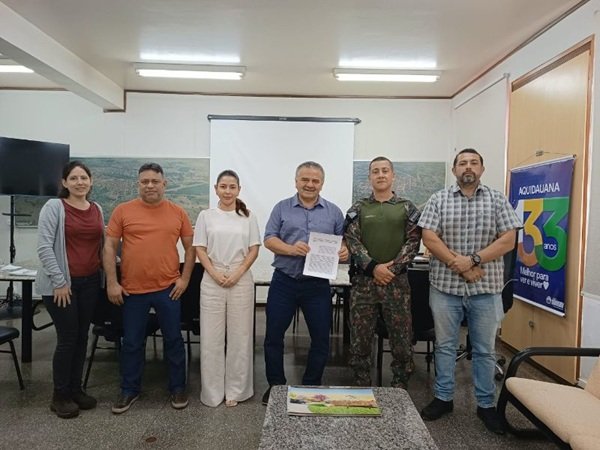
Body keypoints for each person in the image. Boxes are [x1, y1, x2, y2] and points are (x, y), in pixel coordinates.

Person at [418, 148, 521, 434]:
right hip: (445, 287)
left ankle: (486, 405)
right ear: (454, 170)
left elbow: (508, 240)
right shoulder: (438, 199)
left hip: (486, 289)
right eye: (462, 163)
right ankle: (443, 398)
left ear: (481, 169)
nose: (468, 167)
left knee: (485, 350)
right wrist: (461, 266)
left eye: (474, 163)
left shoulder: (497, 199)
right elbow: (430, 238)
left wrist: (473, 260)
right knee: (444, 346)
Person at [104, 162, 195, 414]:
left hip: (168, 288)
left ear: (164, 184)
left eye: (155, 181)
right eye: (145, 181)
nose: (150, 185)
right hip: (132, 291)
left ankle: (178, 387)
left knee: (173, 340)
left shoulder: (178, 212)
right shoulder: (123, 211)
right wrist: (112, 282)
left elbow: (191, 249)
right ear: (138, 184)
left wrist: (185, 279)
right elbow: (109, 247)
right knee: (132, 342)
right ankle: (129, 390)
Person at [262, 161, 349, 404]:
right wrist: (290, 249)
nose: (310, 184)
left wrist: (344, 251)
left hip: (317, 286)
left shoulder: (334, 212)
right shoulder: (281, 208)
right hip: (284, 282)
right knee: (273, 336)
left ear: (322, 183)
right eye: (305, 179)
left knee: (321, 339)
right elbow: (269, 239)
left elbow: (343, 242)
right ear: (296, 181)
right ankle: (276, 386)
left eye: (315, 180)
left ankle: (311, 385)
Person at [344, 156, 421, 389]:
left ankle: (400, 385)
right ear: (369, 177)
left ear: (393, 175)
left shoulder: (407, 207)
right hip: (364, 283)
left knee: (401, 339)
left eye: (385, 170)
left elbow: (413, 241)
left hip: (396, 284)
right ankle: (361, 385)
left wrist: (392, 269)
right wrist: (373, 267)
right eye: (375, 171)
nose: (380, 175)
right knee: (359, 340)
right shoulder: (358, 208)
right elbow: (352, 241)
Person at [36, 161, 104, 418]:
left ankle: (76, 389)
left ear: (91, 181)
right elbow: (44, 247)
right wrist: (60, 281)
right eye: (73, 178)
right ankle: (60, 395)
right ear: (64, 182)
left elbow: (101, 244)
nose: (79, 182)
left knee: (82, 337)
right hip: (61, 286)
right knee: (68, 338)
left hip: (90, 282)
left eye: (84, 177)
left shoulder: (96, 208)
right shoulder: (55, 207)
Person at [193, 170, 261, 407]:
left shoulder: (248, 217)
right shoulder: (206, 216)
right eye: (223, 186)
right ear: (216, 189)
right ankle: (212, 393)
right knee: (211, 337)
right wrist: (214, 273)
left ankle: (237, 391)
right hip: (212, 278)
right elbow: (200, 248)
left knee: (240, 336)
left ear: (239, 189)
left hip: (240, 277)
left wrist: (237, 273)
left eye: (232, 187)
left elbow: (254, 249)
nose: (228, 191)